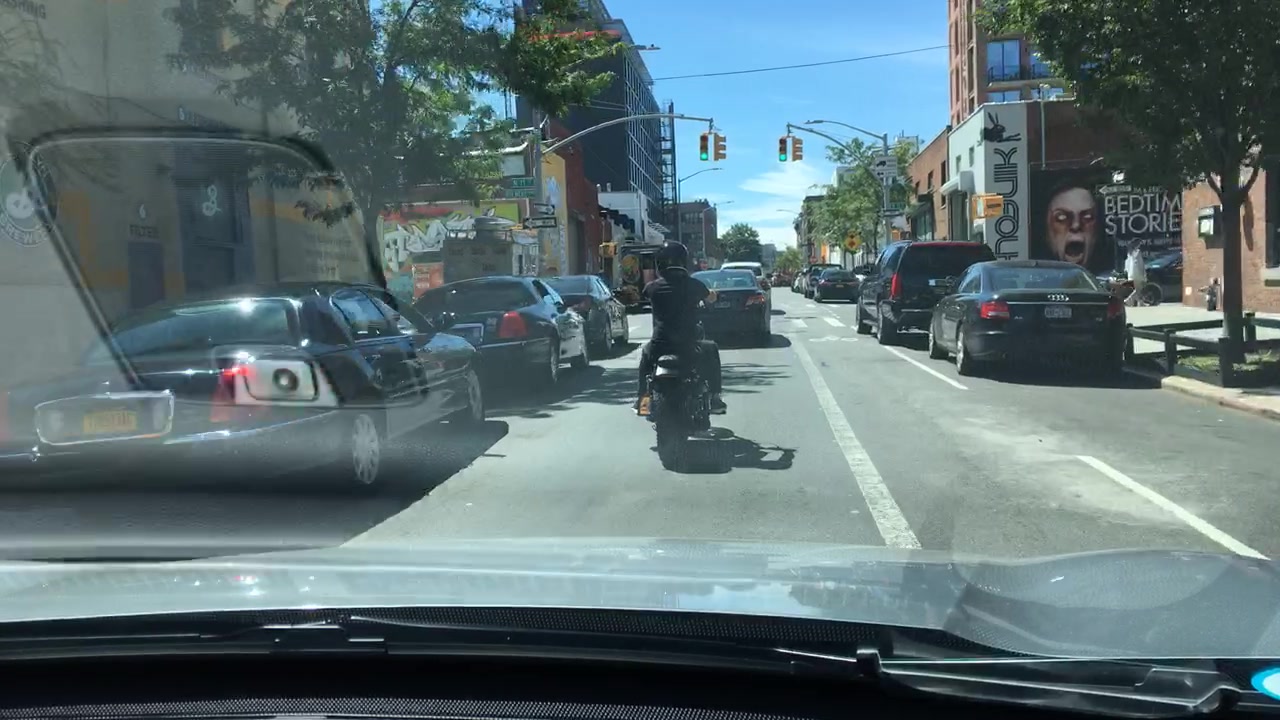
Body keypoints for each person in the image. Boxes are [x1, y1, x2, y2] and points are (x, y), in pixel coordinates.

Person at [634, 240, 727, 415]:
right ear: (684, 261)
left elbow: (639, 297)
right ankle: (715, 398)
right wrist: (714, 295)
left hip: (660, 344)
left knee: (645, 355)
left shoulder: (652, 287)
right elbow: (711, 297)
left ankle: (642, 399)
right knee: (711, 349)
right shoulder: (694, 285)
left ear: (659, 263)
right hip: (688, 344)